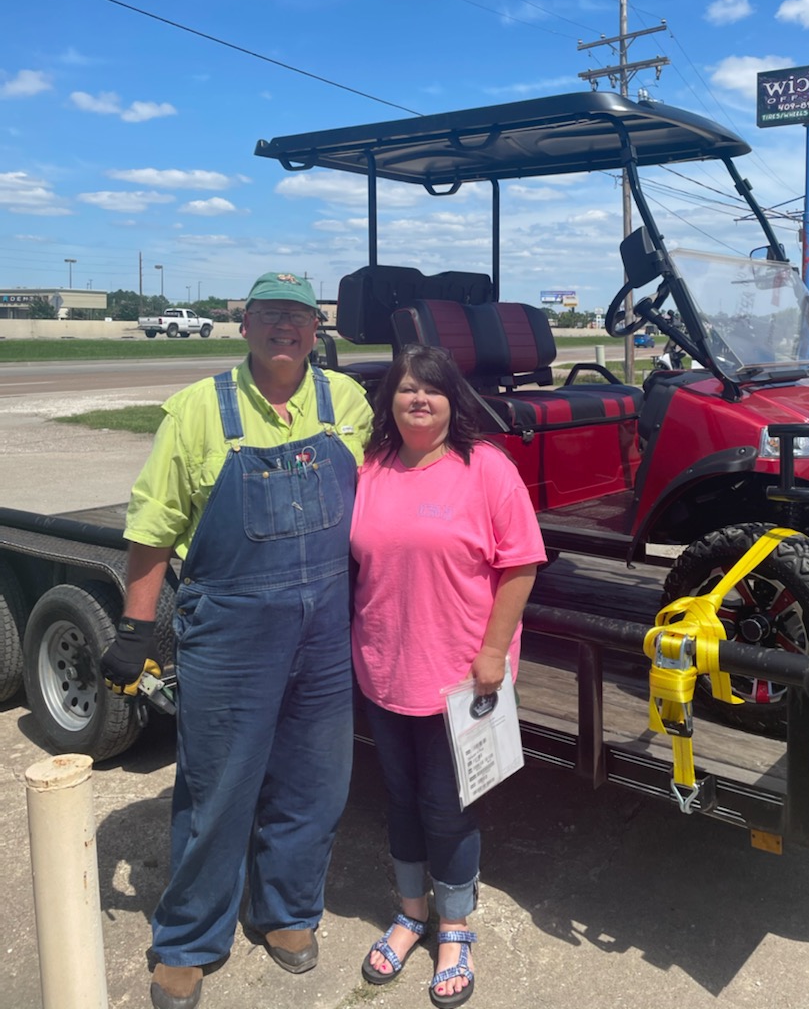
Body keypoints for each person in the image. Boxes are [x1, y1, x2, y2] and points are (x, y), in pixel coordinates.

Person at [99, 272, 373, 1009]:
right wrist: (135, 627)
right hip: (230, 627)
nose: (286, 326)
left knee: (315, 783)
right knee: (218, 787)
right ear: (244, 325)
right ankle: (188, 939)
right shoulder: (196, 411)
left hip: (325, 628)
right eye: (270, 314)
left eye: (300, 316)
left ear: (317, 330)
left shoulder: (346, 403)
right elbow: (153, 528)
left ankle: (286, 912)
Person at [350, 345, 545, 1007]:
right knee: (400, 800)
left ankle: (454, 926)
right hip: (384, 669)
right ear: (391, 401)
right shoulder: (372, 468)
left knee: (449, 807)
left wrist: (493, 655)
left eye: (430, 390)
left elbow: (521, 565)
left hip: (461, 676)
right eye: (405, 389)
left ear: (452, 400)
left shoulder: (485, 468)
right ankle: (411, 914)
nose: (417, 399)